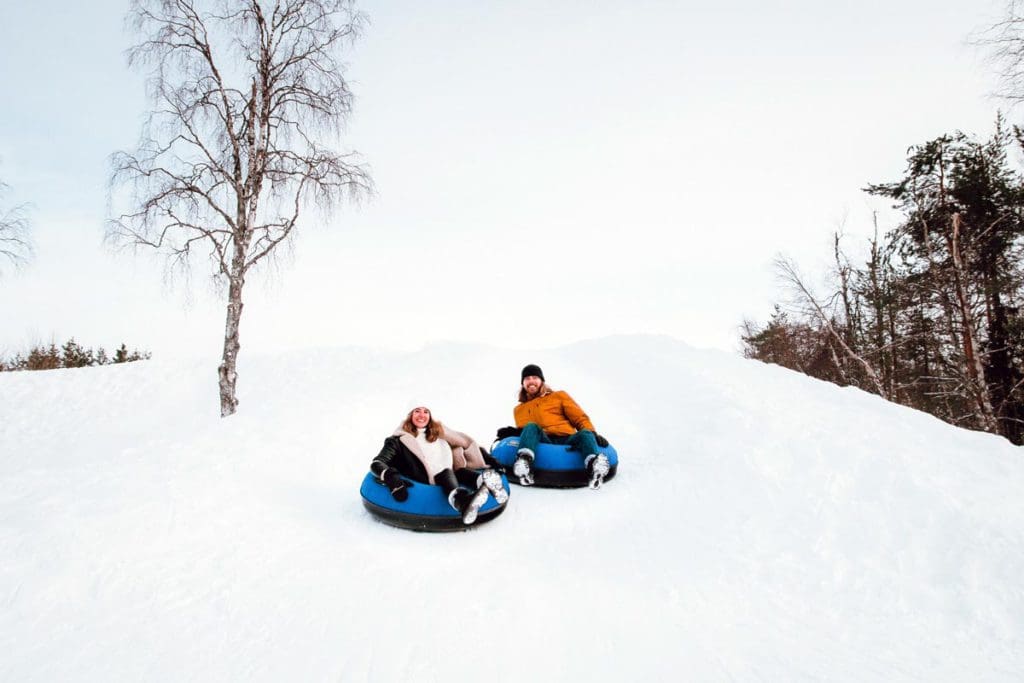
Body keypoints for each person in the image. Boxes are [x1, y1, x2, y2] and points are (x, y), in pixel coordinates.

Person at [370, 403, 508, 524]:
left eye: (426, 411)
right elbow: (378, 462)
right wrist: (390, 476)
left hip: (448, 472)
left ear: (430, 416)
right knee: (447, 472)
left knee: (459, 472)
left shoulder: (439, 432)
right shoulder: (397, 440)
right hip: (426, 477)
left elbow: (466, 442)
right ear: (410, 415)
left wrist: (491, 460)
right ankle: (461, 502)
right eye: (417, 411)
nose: (421, 415)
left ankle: (486, 484)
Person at [512, 364, 611, 489]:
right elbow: (525, 431)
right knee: (531, 426)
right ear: (523, 384)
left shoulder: (559, 396)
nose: (531, 381)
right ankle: (524, 464)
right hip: (544, 440)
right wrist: (510, 432)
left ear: (542, 381)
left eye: (534, 377)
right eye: (527, 379)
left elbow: (578, 417)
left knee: (585, 433)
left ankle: (595, 468)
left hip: (567, 438)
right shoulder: (519, 409)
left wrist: (593, 433)